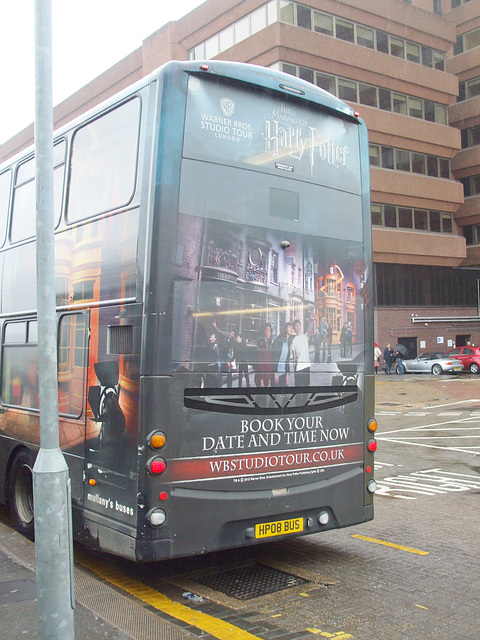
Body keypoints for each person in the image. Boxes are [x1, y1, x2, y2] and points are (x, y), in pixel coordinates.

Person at [272, 321, 295, 386]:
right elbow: (274, 358)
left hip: (284, 373)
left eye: (292, 327)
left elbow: (286, 360)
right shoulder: (278, 340)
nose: (291, 329)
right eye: (289, 327)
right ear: (285, 329)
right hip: (277, 373)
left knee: (285, 394)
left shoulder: (288, 342)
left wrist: (287, 374)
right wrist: (275, 373)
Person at [292, 319, 311, 386]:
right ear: (294, 329)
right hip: (299, 367)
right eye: (296, 326)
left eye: (299, 325)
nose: (298, 327)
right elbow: (294, 356)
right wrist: (294, 364)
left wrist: (312, 321)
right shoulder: (293, 340)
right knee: (298, 386)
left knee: (306, 386)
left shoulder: (305, 337)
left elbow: (309, 330)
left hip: (306, 365)